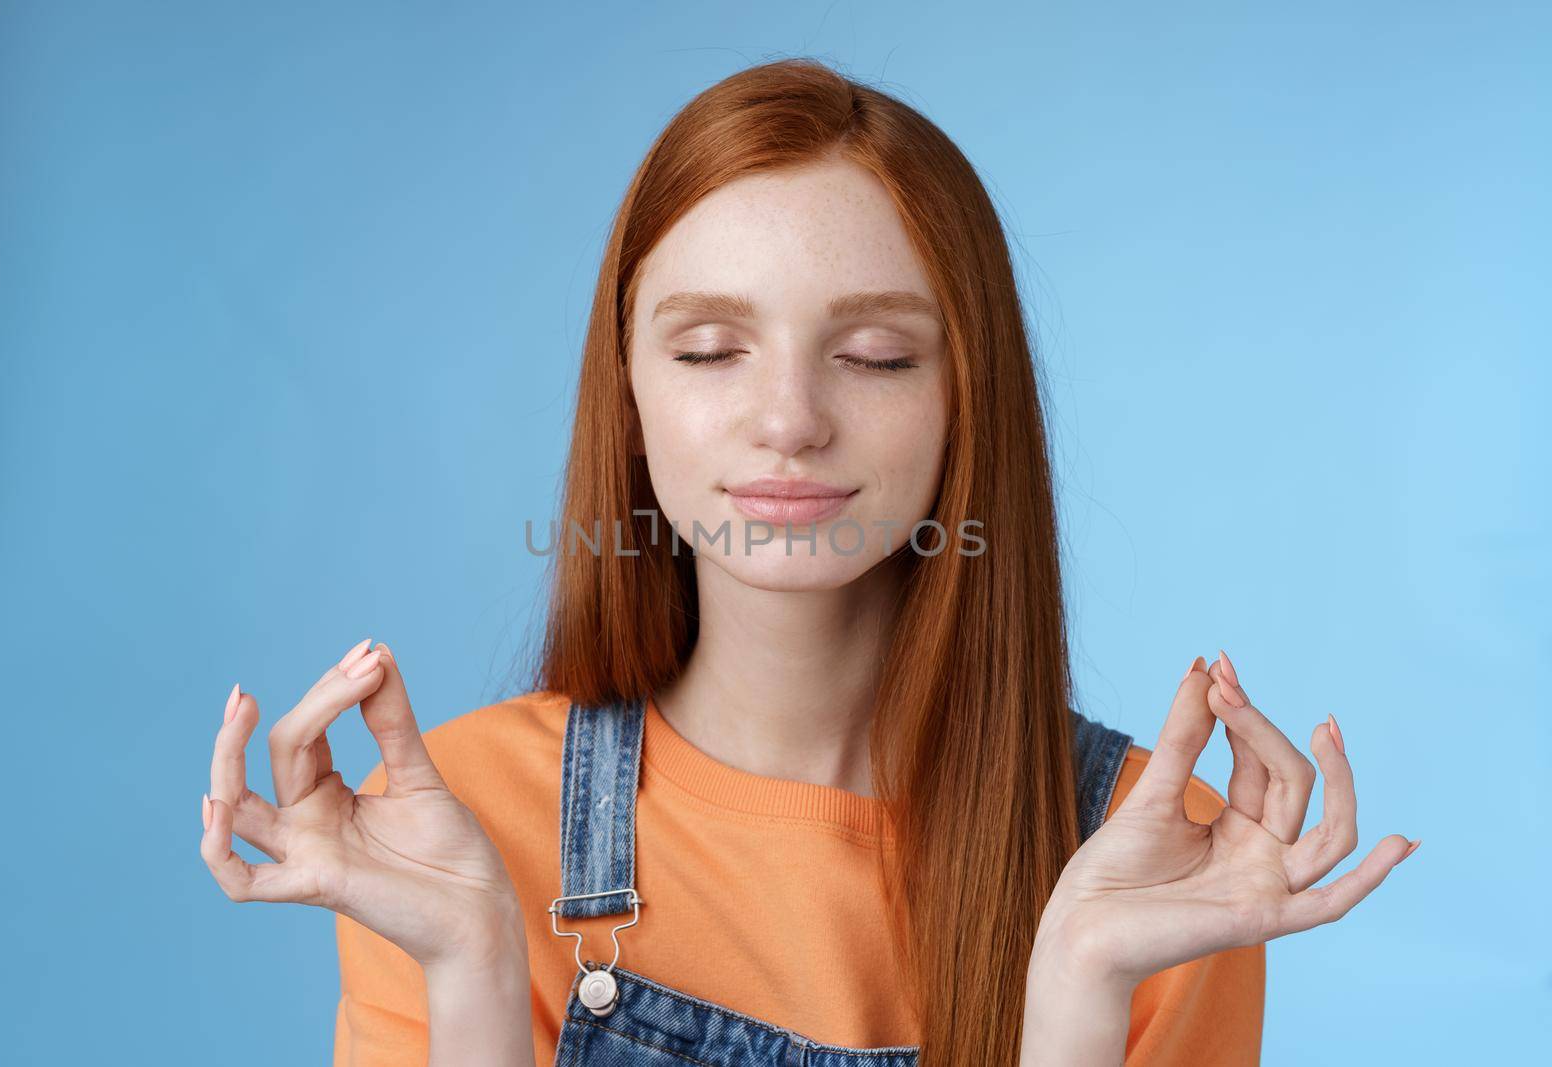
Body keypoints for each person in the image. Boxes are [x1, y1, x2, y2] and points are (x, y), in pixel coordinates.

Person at [198, 58, 1419, 1067]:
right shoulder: (450, 818)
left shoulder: (1157, 855)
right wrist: (467, 954)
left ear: (965, 400)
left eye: (878, 354)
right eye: (712, 349)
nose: (787, 419)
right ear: (625, 392)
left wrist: (1080, 985)